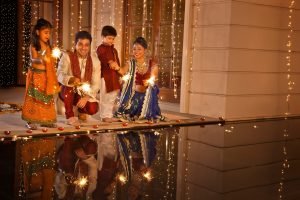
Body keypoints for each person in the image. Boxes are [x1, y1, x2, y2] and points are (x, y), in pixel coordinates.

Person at [113, 37, 164, 121]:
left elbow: (153, 79)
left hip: (146, 96)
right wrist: (117, 67)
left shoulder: (152, 64)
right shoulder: (130, 63)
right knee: (130, 113)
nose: (136, 51)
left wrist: (148, 82)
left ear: (145, 50)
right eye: (134, 49)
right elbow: (122, 71)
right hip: (133, 96)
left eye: (139, 49)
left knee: (149, 115)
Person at [22, 18, 60, 130]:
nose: (48, 35)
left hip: (46, 76)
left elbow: (50, 60)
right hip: (36, 76)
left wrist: (52, 58)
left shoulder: (48, 46)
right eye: (46, 32)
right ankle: (30, 120)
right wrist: (44, 59)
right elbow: (34, 60)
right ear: (38, 32)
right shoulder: (34, 46)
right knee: (34, 98)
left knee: (46, 99)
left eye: (49, 33)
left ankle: (46, 120)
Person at [57, 31, 101, 125]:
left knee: (93, 108)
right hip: (67, 91)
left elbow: (96, 84)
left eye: (86, 45)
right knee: (70, 84)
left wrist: (86, 97)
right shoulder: (67, 57)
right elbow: (59, 74)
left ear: (89, 46)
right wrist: (71, 79)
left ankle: (81, 111)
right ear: (75, 44)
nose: (83, 48)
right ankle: (70, 115)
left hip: (84, 92)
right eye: (80, 44)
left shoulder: (95, 61)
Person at [96, 25, 121, 122]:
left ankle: (108, 115)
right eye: (109, 38)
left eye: (113, 39)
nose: (111, 41)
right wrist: (110, 61)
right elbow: (102, 57)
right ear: (103, 37)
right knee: (105, 96)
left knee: (112, 96)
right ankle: (104, 115)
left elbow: (117, 63)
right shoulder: (101, 48)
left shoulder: (114, 50)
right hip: (105, 76)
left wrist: (119, 74)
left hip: (114, 76)